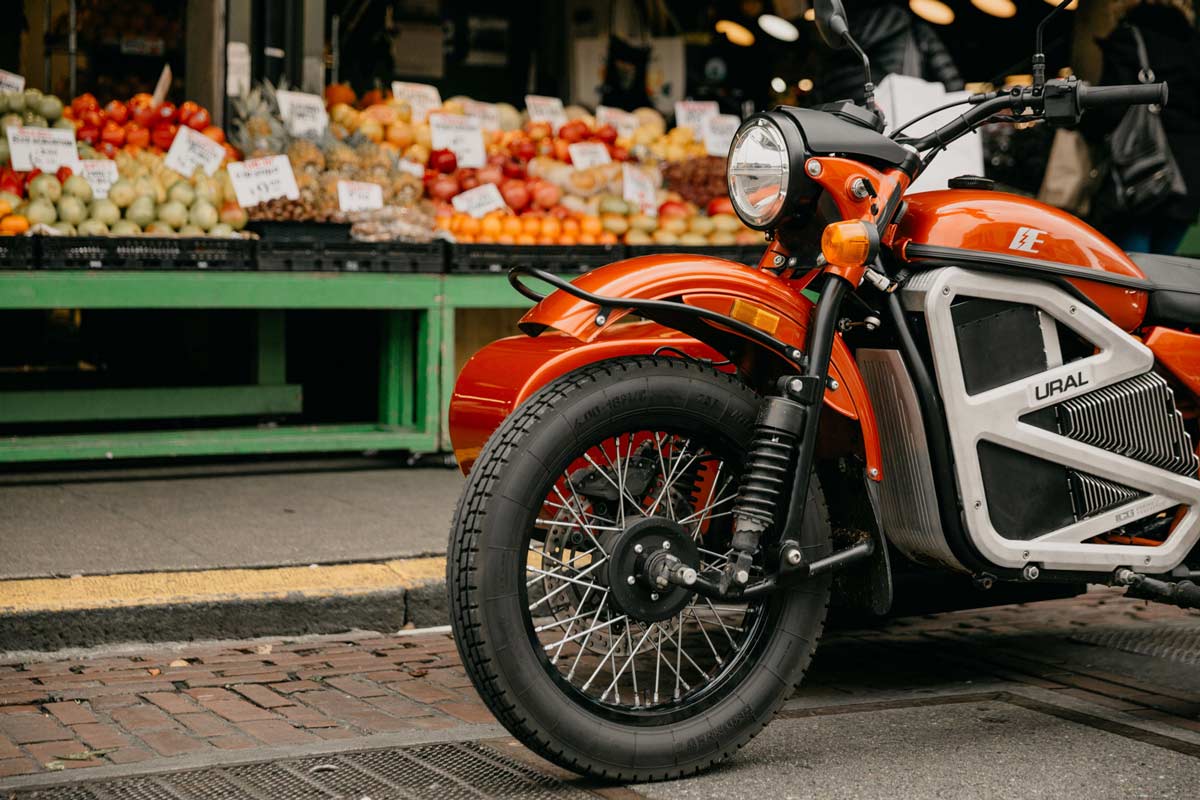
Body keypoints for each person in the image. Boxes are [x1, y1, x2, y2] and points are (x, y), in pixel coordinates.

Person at [1085, 0, 1200, 254]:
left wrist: (1084, 125)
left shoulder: (1128, 38)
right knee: (1163, 265)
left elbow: (1110, 108)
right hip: (1190, 176)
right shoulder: (1192, 44)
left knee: (1133, 266)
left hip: (1141, 170)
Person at [821, 0, 963, 104]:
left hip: (845, 120)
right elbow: (952, 81)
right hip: (899, 114)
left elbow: (821, 89)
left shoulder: (834, 34)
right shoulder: (914, 29)